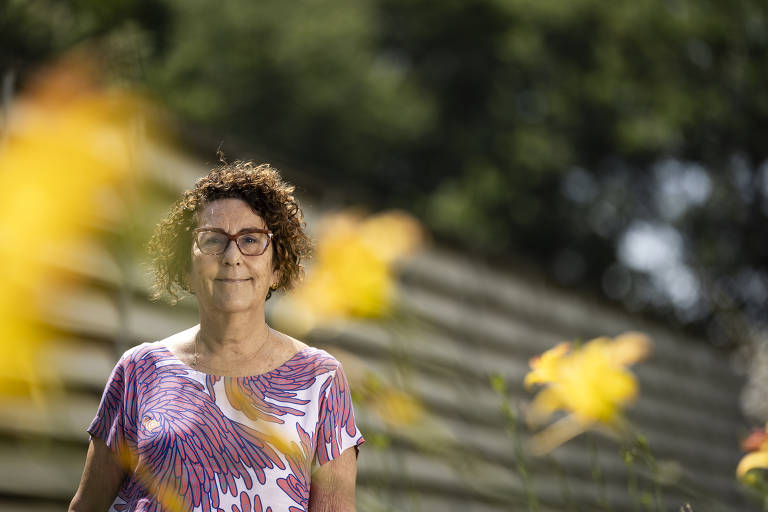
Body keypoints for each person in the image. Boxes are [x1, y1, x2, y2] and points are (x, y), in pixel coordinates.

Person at [69, 161, 365, 512]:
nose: (231, 257)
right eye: (213, 241)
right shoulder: (139, 370)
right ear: (185, 266)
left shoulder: (321, 378)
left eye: (251, 240)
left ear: (277, 267)